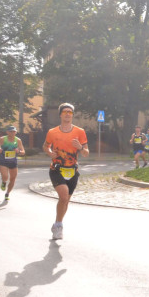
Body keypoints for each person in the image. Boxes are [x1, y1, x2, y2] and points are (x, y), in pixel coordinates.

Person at [43, 103, 89, 241]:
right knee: (63, 197)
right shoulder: (52, 132)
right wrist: (50, 153)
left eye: (70, 112)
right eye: (65, 112)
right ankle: (58, 226)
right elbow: (46, 146)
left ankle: (57, 223)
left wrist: (80, 147)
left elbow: (86, 153)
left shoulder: (80, 132)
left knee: (66, 201)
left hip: (72, 171)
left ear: (72, 115)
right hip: (56, 169)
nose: (68, 114)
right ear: (60, 115)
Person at [0, 125, 26, 202]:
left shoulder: (18, 140)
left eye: (14, 131)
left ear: (16, 132)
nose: (12, 133)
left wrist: (19, 152)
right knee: (5, 176)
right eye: (11, 131)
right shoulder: (2, 139)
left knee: (13, 179)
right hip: (3, 160)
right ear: (7, 132)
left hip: (13, 161)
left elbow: (23, 152)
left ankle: (7, 193)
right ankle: (4, 182)